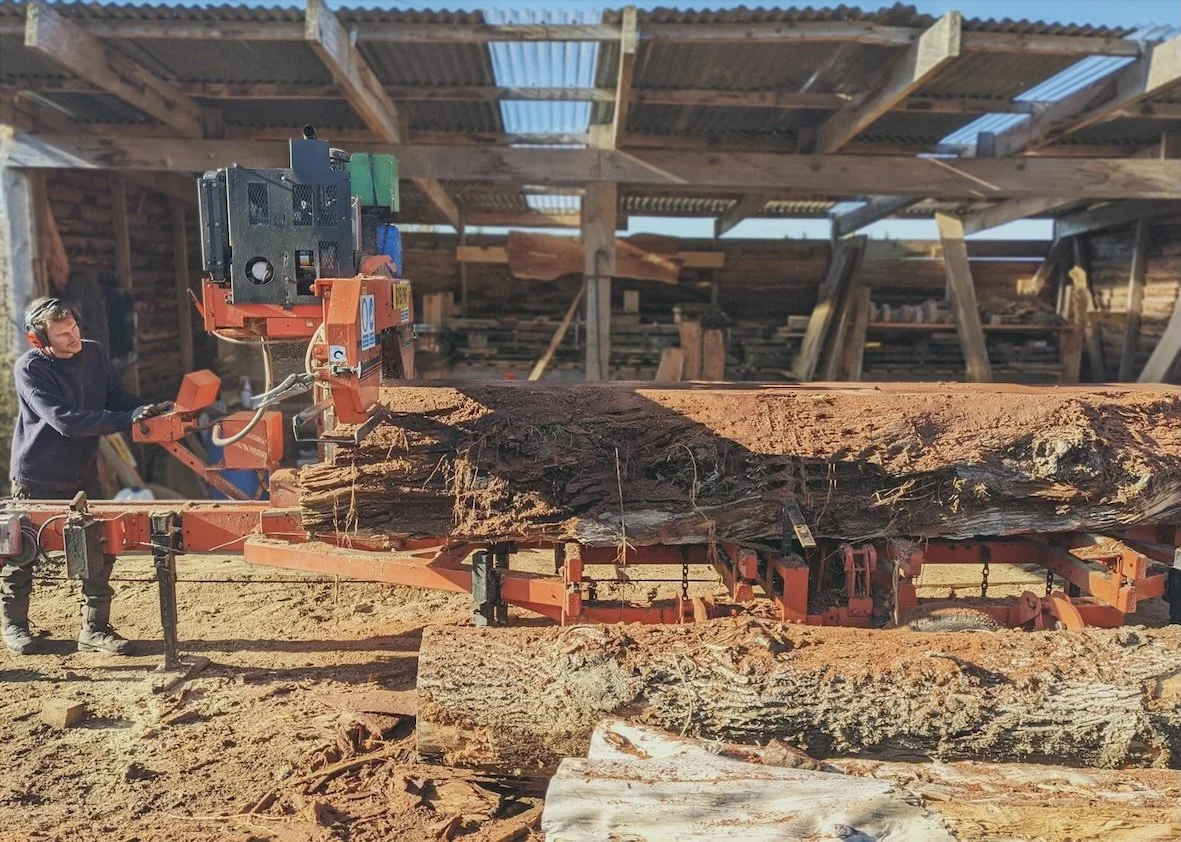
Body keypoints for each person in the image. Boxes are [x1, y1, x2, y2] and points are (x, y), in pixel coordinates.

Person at [3, 298, 171, 656]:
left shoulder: (92, 354)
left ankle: (94, 629)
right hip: (38, 476)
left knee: (98, 549)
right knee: (22, 555)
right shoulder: (30, 369)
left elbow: (115, 396)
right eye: (62, 334)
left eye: (74, 328)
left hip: (82, 473)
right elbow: (66, 420)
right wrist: (125, 420)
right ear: (39, 339)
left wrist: (144, 409)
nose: (73, 338)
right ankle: (15, 627)